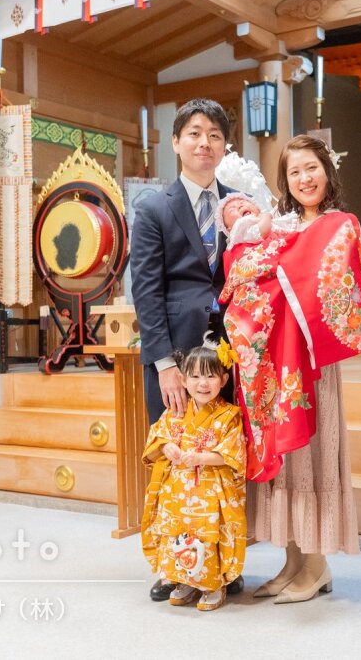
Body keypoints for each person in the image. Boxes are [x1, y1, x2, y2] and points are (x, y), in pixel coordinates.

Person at [233, 135, 361, 604]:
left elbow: (324, 281)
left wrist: (278, 257)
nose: (305, 178)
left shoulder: (341, 225)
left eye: (311, 168)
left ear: (327, 171)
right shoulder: (278, 230)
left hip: (312, 367)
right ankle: (293, 561)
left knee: (314, 455)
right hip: (279, 364)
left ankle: (317, 565)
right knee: (288, 459)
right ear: (286, 181)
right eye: (295, 172)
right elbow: (245, 273)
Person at [130, 98, 244, 600]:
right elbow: (147, 290)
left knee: (226, 457)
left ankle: (224, 564)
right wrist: (163, 365)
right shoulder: (154, 207)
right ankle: (172, 567)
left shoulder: (239, 205)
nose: (205, 143)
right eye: (194, 133)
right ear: (175, 142)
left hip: (229, 356)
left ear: (224, 146)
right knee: (174, 460)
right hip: (174, 355)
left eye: (215, 135)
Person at [139, 340, 246, 612]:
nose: (203, 383)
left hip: (211, 493)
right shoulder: (175, 412)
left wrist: (200, 458)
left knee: (207, 534)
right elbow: (157, 438)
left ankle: (212, 585)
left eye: (210, 375)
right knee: (178, 533)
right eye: (195, 376)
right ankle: (183, 580)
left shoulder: (229, 415)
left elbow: (232, 454)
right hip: (177, 491)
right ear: (183, 381)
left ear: (223, 379)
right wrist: (168, 447)